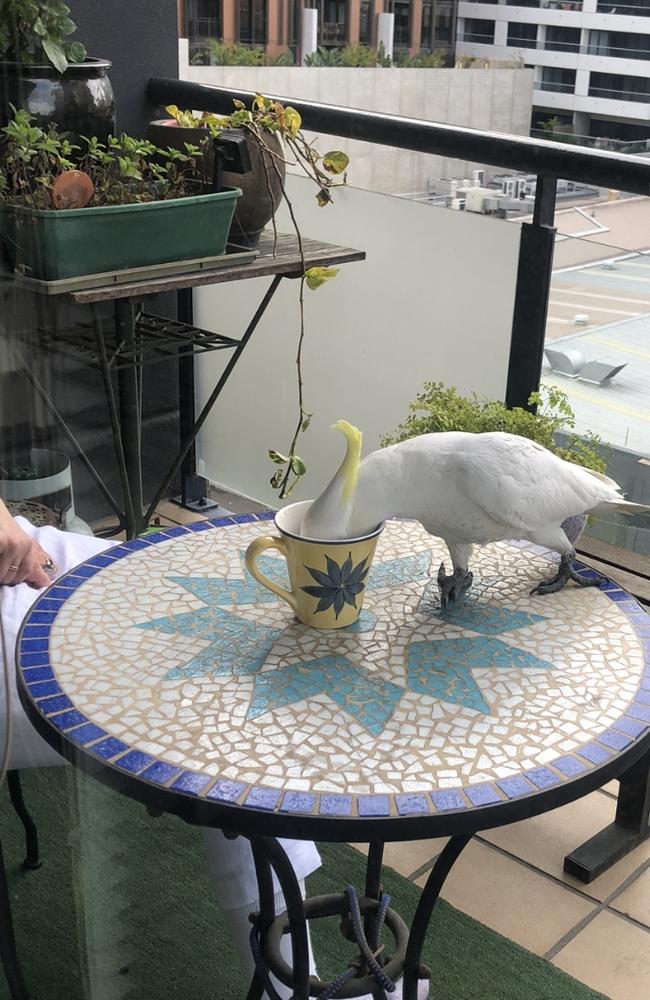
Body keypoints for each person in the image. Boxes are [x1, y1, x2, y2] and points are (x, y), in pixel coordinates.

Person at [0, 503, 425, 999]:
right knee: (221, 718)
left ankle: (285, 962)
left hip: (20, 551)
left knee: (221, 636)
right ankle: (286, 983)